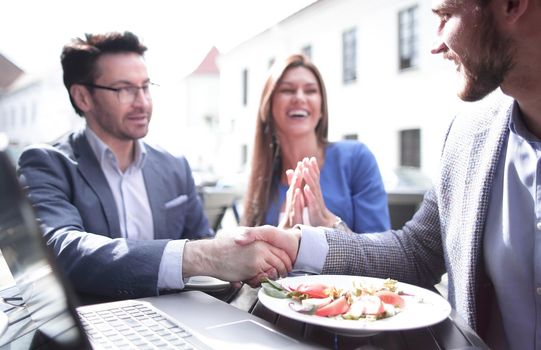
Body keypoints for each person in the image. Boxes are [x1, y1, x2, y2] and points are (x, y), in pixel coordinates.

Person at [236, 0, 541, 349]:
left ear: (512, 5)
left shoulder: (356, 157)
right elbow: (415, 253)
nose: (435, 43)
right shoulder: (467, 135)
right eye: (287, 91)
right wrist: (299, 242)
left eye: (445, 16)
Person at [17, 31, 291, 299]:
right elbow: (59, 251)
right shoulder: (46, 163)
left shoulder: (174, 166)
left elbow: (208, 254)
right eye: (125, 89)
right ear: (82, 97)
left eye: (145, 86)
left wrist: (239, 257)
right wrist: (205, 255)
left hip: (174, 326)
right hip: (92, 328)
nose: (143, 102)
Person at [242, 54, 390, 233]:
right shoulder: (262, 179)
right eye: (287, 90)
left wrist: (330, 223)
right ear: (268, 107)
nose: (299, 97)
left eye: (310, 90)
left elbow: (381, 253)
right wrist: (279, 241)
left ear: (321, 108)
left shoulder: (356, 158)